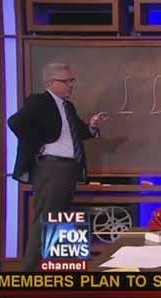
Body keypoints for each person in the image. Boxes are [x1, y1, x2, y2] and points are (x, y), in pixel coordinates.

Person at [7, 62, 109, 271]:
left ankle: (54, 270)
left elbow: (79, 133)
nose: (70, 85)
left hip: (69, 169)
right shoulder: (39, 101)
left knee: (59, 219)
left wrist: (92, 126)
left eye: (72, 80)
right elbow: (15, 122)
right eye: (65, 81)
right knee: (46, 219)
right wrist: (38, 143)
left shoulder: (67, 107)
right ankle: (27, 273)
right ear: (50, 83)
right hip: (51, 168)